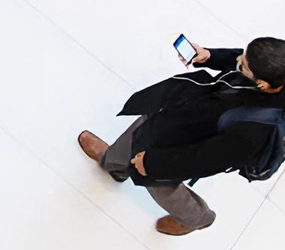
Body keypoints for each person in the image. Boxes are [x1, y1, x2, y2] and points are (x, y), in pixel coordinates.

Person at [78, 36, 285, 235]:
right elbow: (240, 58)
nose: (238, 60)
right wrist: (209, 56)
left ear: (263, 85)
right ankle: (113, 164)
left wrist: (152, 163)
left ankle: (196, 218)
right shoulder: (275, 72)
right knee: (141, 130)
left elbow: (206, 158)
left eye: (243, 65)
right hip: (178, 114)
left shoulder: (254, 132)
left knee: (159, 184)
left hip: (183, 147)